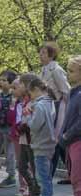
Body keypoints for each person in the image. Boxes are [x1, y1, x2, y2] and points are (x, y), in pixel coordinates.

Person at [39, 42, 71, 183]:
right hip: (48, 107)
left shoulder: (56, 70)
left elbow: (66, 92)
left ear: (51, 55)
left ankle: (48, 177)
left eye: (44, 53)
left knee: (55, 141)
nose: (40, 55)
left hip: (58, 108)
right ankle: (72, 173)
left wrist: (68, 114)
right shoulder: (44, 69)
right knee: (61, 144)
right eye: (40, 52)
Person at [26, 74, 56, 196]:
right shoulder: (50, 103)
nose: (30, 96)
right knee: (46, 178)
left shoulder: (39, 105)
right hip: (49, 144)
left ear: (36, 89)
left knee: (43, 179)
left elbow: (35, 125)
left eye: (30, 93)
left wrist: (28, 117)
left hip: (41, 145)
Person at [59, 56, 81, 196]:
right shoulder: (74, 92)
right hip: (72, 142)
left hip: (77, 141)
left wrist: (66, 136)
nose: (68, 73)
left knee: (77, 179)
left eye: (72, 70)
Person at [15, 74, 41, 196]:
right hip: (23, 140)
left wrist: (23, 126)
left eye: (21, 84)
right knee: (21, 166)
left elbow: (32, 121)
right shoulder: (24, 101)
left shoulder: (34, 102)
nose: (18, 87)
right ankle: (32, 191)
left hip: (31, 141)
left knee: (34, 168)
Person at [0, 70, 17, 188]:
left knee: (10, 154)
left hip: (9, 128)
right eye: (0, 80)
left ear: (11, 83)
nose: (1, 82)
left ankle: (11, 176)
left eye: (4, 80)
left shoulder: (13, 96)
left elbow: (14, 113)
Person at [10, 78, 28, 196]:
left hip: (26, 135)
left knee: (28, 163)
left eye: (15, 88)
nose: (12, 90)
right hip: (17, 136)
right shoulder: (15, 103)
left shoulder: (29, 102)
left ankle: (28, 186)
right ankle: (22, 186)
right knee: (20, 162)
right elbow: (11, 119)